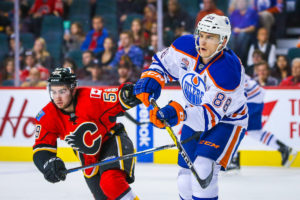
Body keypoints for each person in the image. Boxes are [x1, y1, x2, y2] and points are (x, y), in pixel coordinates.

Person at [134, 14, 248, 199]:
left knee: (203, 169)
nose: (202, 41)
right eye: (201, 35)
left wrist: (176, 112)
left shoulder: (228, 71)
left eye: (210, 37)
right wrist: (152, 79)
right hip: (194, 115)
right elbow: (162, 64)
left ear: (223, 40)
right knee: (184, 178)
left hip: (227, 122)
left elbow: (207, 117)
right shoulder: (185, 46)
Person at [33, 68, 141, 200]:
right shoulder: (47, 115)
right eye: (53, 92)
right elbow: (41, 148)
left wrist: (129, 93)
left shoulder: (91, 96)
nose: (57, 97)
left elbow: (118, 97)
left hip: (111, 140)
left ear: (73, 89)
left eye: (62, 91)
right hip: (87, 156)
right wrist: (48, 163)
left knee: (111, 183)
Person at [228, 74, 297, 169]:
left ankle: (234, 160)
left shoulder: (222, 68)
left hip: (249, 99)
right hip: (256, 96)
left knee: (230, 128)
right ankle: (283, 148)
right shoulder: (228, 64)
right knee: (254, 132)